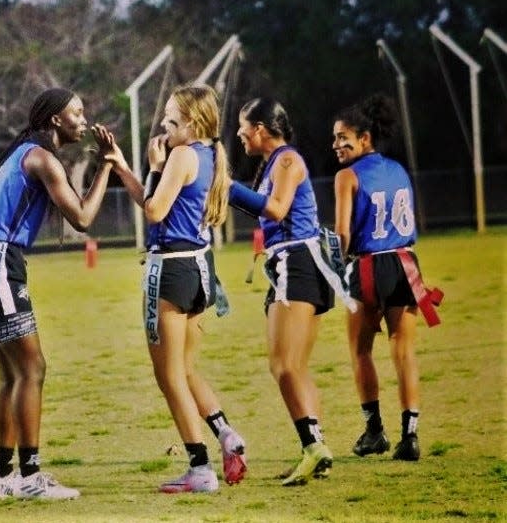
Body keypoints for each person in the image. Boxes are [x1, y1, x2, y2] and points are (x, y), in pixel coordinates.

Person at [0, 87, 114, 500]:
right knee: (32, 369)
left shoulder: (26, 151)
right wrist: (107, 169)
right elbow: (81, 218)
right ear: (55, 120)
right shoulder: (42, 157)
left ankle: (0, 476)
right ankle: (29, 476)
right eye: (76, 112)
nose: (83, 118)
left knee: (12, 373)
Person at [103, 84, 247, 493]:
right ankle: (225, 433)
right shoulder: (208, 154)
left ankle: (200, 468)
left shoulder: (181, 155)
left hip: (171, 270)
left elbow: (154, 209)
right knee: (184, 369)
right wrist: (124, 169)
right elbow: (159, 202)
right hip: (200, 268)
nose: (163, 127)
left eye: (171, 120)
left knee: (167, 376)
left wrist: (152, 166)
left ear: (194, 123)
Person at [226, 97, 356, 486]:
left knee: (282, 365)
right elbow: (267, 208)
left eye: (243, 127)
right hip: (300, 264)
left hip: (296, 263)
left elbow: (278, 209)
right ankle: (316, 451)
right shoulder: (276, 162)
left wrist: (225, 184)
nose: (239, 134)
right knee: (295, 366)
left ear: (261, 128)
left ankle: (314, 448)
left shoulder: (285, 160)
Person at [332, 94, 442, 462]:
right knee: (404, 350)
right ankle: (410, 436)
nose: (336, 145)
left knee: (361, 349)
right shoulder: (398, 169)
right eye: (334, 138)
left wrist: (334, 261)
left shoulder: (346, 176)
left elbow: (343, 233)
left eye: (342, 137)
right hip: (405, 264)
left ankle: (374, 431)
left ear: (365, 138)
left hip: (366, 265)